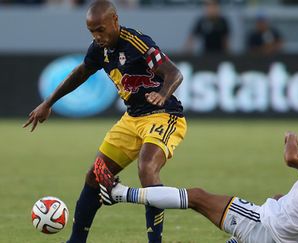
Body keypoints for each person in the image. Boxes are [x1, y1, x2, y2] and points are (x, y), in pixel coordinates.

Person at [23, 1, 187, 242]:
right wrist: (48, 103)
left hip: (164, 115)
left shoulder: (138, 42)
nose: (97, 36)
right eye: (92, 31)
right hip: (132, 118)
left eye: (100, 30)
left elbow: (174, 73)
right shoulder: (99, 49)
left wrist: (163, 94)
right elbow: (81, 73)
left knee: (147, 169)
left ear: (115, 21)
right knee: (94, 176)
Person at [95, 128, 298, 243]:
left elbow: (291, 159)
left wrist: (291, 139)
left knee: (197, 196)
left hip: (264, 226)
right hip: (282, 238)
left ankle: (118, 193)